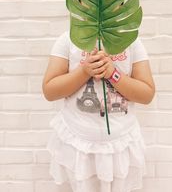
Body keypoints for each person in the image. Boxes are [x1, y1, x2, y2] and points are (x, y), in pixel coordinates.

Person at [42, 26, 155, 192]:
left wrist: (112, 73)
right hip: (78, 144)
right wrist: (84, 71)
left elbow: (146, 94)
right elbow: (50, 91)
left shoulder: (131, 41)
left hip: (121, 144)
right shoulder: (68, 39)